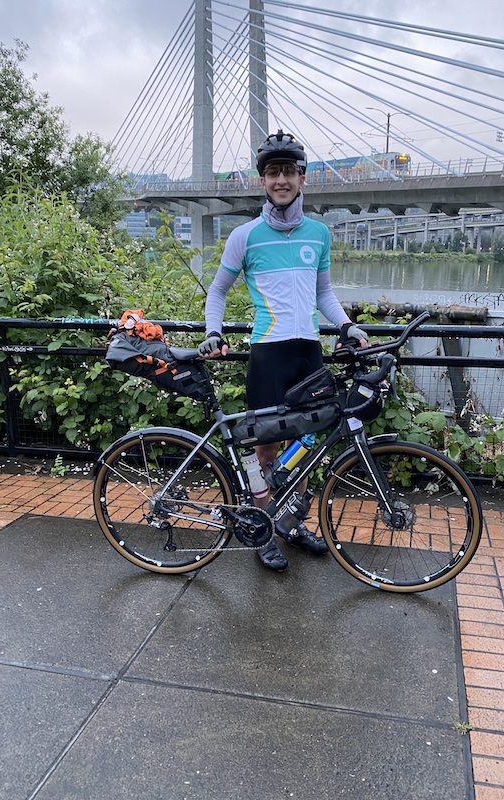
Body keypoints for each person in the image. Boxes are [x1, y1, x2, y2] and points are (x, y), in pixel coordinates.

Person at [199, 130, 367, 572]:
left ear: (302, 177)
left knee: (306, 447)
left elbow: (325, 295)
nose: (281, 180)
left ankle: (291, 523)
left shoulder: (318, 234)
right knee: (266, 449)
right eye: (273, 172)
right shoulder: (245, 236)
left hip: (307, 354)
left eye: (289, 171)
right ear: (262, 181)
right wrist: (212, 333)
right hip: (268, 354)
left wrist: (347, 326)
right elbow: (217, 293)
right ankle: (263, 528)